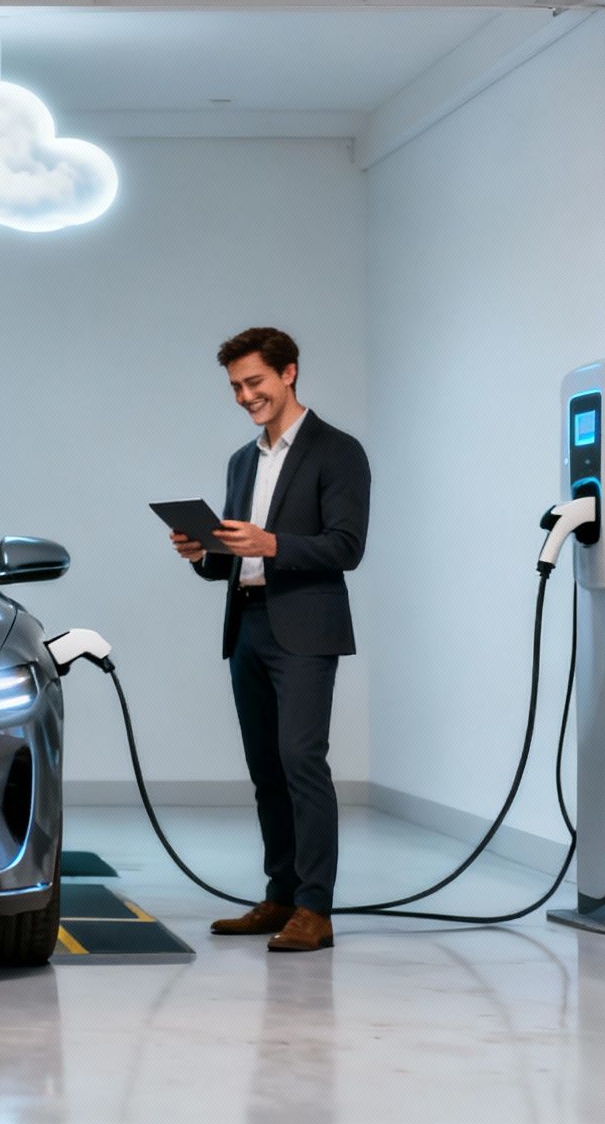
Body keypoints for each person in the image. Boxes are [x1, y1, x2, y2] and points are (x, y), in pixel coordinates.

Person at [169, 327, 370, 952]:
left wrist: (272, 543)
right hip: (248, 625)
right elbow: (232, 562)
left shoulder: (339, 451)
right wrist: (202, 552)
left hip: (306, 627)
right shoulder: (242, 461)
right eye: (235, 386)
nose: (244, 396)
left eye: (254, 382)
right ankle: (281, 895)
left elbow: (347, 546)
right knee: (266, 771)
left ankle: (315, 909)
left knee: (302, 763)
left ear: (289, 373)